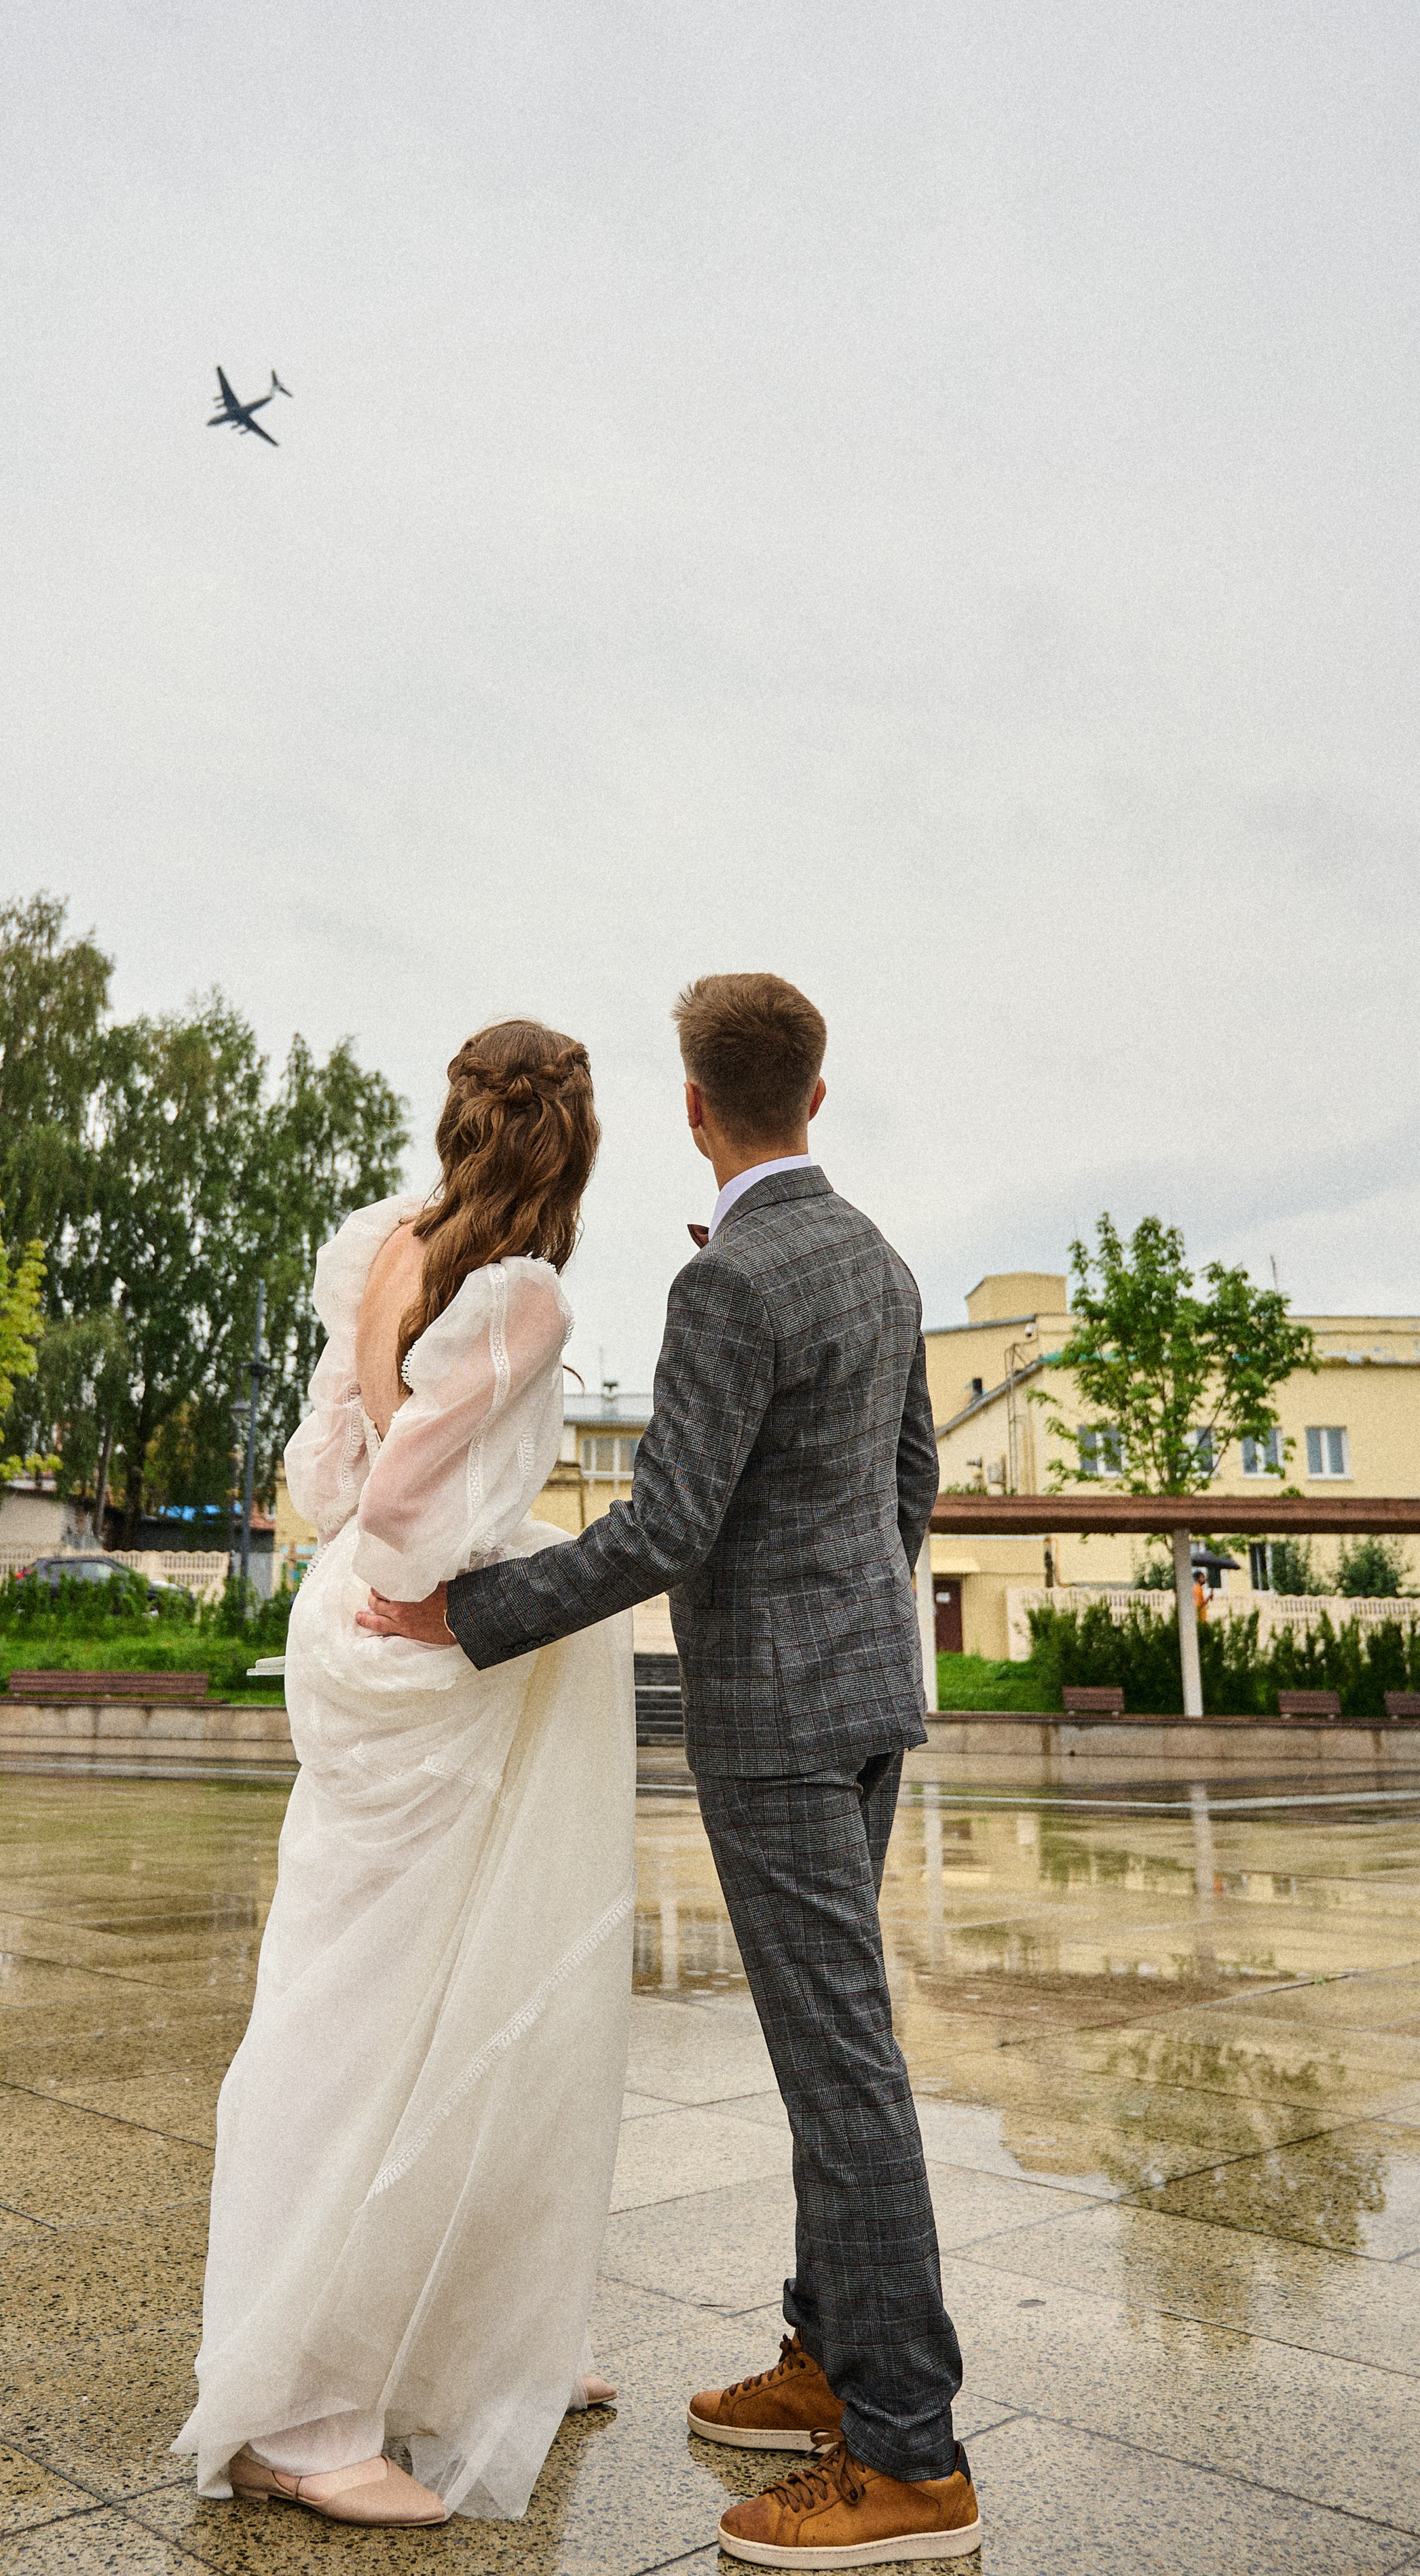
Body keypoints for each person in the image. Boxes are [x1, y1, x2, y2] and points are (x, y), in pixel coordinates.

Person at [362, 972, 981, 2569]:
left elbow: (665, 1527)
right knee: (830, 2044)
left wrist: (470, 1608)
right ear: (812, 1100)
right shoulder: (881, 1259)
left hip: (772, 1726)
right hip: (861, 1700)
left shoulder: (729, 1285)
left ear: (696, 1110)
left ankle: (906, 2450)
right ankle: (825, 2360)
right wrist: (849, 1623)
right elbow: (909, 1482)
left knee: (840, 2068)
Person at [173, 1021, 635, 2526]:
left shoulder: (383, 1246)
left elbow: (318, 1482)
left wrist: (394, 1532)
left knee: (403, 1989)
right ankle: (297, 2415)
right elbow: (396, 1504)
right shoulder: (528, 1298)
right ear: (569, 1143)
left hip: (346, 1638)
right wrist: (473, 1573)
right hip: (427, 1643)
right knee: (390, 2015)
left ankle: (476, 2332)